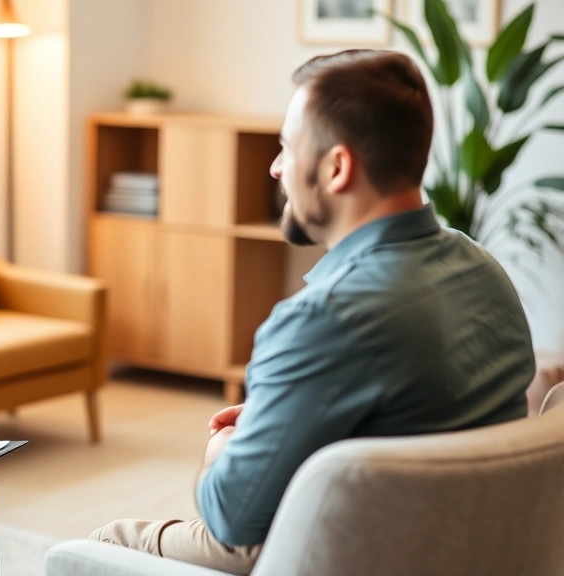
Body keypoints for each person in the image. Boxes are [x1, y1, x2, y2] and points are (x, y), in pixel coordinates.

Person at [89, 49, 535, 575]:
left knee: (105, 541)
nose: (275, 167)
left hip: (351, 555)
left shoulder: (322, 318)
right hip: (469, 549)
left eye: (286, 147)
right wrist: (283, 415)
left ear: (337, 167)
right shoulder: (485, 271)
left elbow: (230, 516)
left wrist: (226, 447)